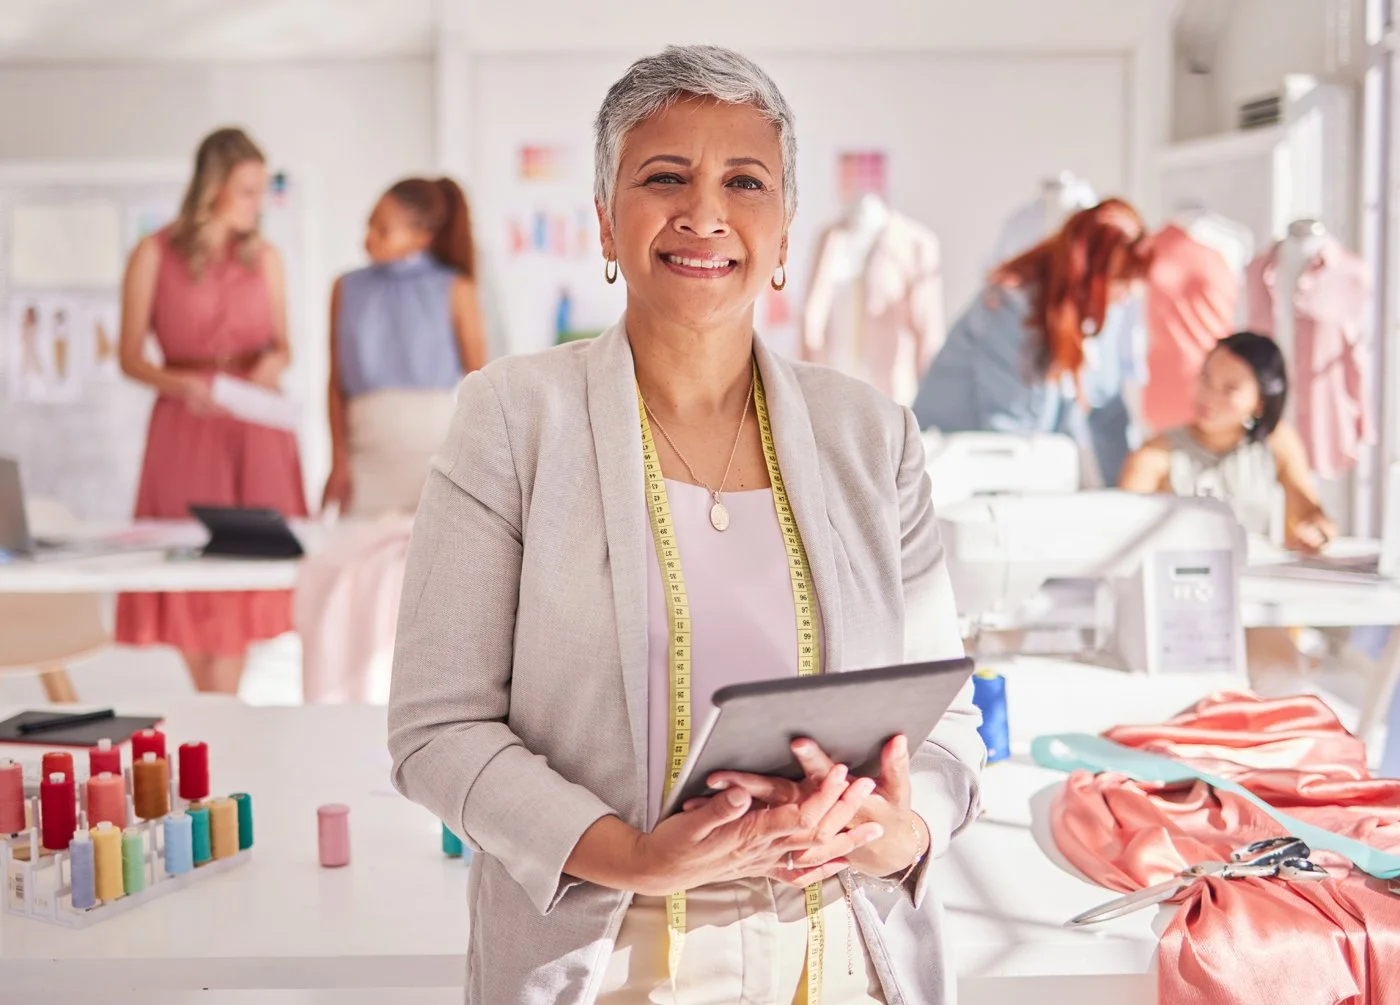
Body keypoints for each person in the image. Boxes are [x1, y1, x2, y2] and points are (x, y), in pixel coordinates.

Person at [388, 45, 984, 1004]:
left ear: (785, 232)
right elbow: (437, 728)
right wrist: (631, 855)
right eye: (663, 177)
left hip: (841, 959)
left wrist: (897, 833)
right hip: (608, 962)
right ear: (606, 223)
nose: (704, 212)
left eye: (744, 181)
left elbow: (948, 727)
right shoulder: (513, 417)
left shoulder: (873, 435)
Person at [116, 127, 307, 694]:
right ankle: (217, 705)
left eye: (260, 190)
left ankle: (219, 706)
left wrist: (272, 366)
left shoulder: (266, 257)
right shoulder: (153, 254)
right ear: (211, 189)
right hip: (186, 427)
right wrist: (184, 384)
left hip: (256, 429)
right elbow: (129, 357)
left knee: (247, 565)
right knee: (190, 562)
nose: (257, 204)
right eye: (245, 191)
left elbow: (284, 346)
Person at [912, 198, 1155, 486]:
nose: (1134, 292)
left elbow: (1105, 411)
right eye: (1123, 279)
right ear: (1088, 273)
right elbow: (1009, 432)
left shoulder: (1103, 312)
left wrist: (1127, 493)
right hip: (950, 470)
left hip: (1009, 465)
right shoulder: (1008, 305)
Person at [321, 177, 487, 517]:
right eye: (369, 225)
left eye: (383, 230)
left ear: (420, 238)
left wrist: (477, 465)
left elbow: (481, 386)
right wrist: (338, 460)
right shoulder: (346, 288)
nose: (368, 238)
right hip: (365, 456)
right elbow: (336, 383)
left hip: (433, 455)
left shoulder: (455, 289)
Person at [1119, 331, 1335, 552]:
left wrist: (1315, 533)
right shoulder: (1154, 455)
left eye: (1229, 389)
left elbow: (1311, 513)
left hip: (1258, 577)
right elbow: (1119, 530)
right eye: (1206, 379)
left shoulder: (1277, 440)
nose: (1209, 397)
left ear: (1260, 403)